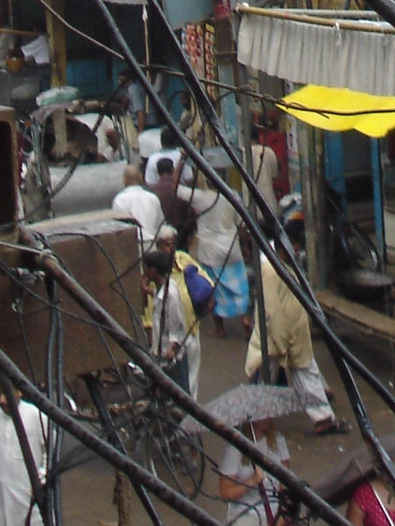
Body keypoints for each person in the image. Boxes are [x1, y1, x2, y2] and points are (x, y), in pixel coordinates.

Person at [245, 251, 338, 431]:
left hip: (294, 334)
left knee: (305, 369)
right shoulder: (270, 270)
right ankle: (255, 418)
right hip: (276, 337)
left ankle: (323, 417)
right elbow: (270, 309)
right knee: (265, 376)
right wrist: (280, 341)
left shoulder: (288, 267)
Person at [143, 241, 202, 400]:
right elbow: (158, 296)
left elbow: (177, 327)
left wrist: (172, 349)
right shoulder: (164, 288)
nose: (144, 273)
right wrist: (147, 290)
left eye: (146, 269)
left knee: (179, 399)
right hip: (160, 355)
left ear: (153, 271)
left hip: (171, 360)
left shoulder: (171, 296)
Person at [217, 416, 290, 526]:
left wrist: (282, 516)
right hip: (247, 514)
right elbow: (225, 494)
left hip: (275, 513)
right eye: (260, 414)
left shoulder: (278, 440)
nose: (266, 417)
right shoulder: (234, 449)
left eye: (269, 412)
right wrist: (251, 481)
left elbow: (285, 482)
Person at [190, 181, 249, 335]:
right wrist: (245, 247)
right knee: (240, 288)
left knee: (214, 289)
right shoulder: (233, 195)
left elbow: (175, 188)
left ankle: (220, 328)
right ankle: (245, 319)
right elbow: (242, 224)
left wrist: (182, 160)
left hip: (210, 253)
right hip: (232, 248)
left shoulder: (200, 196)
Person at [111, 162, 167, 248]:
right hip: (151, 245)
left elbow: (117, 228)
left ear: (124, 180)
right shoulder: (152, 198)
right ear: (141, 177)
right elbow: (160, 225)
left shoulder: (120, 200)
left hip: (131, 247)